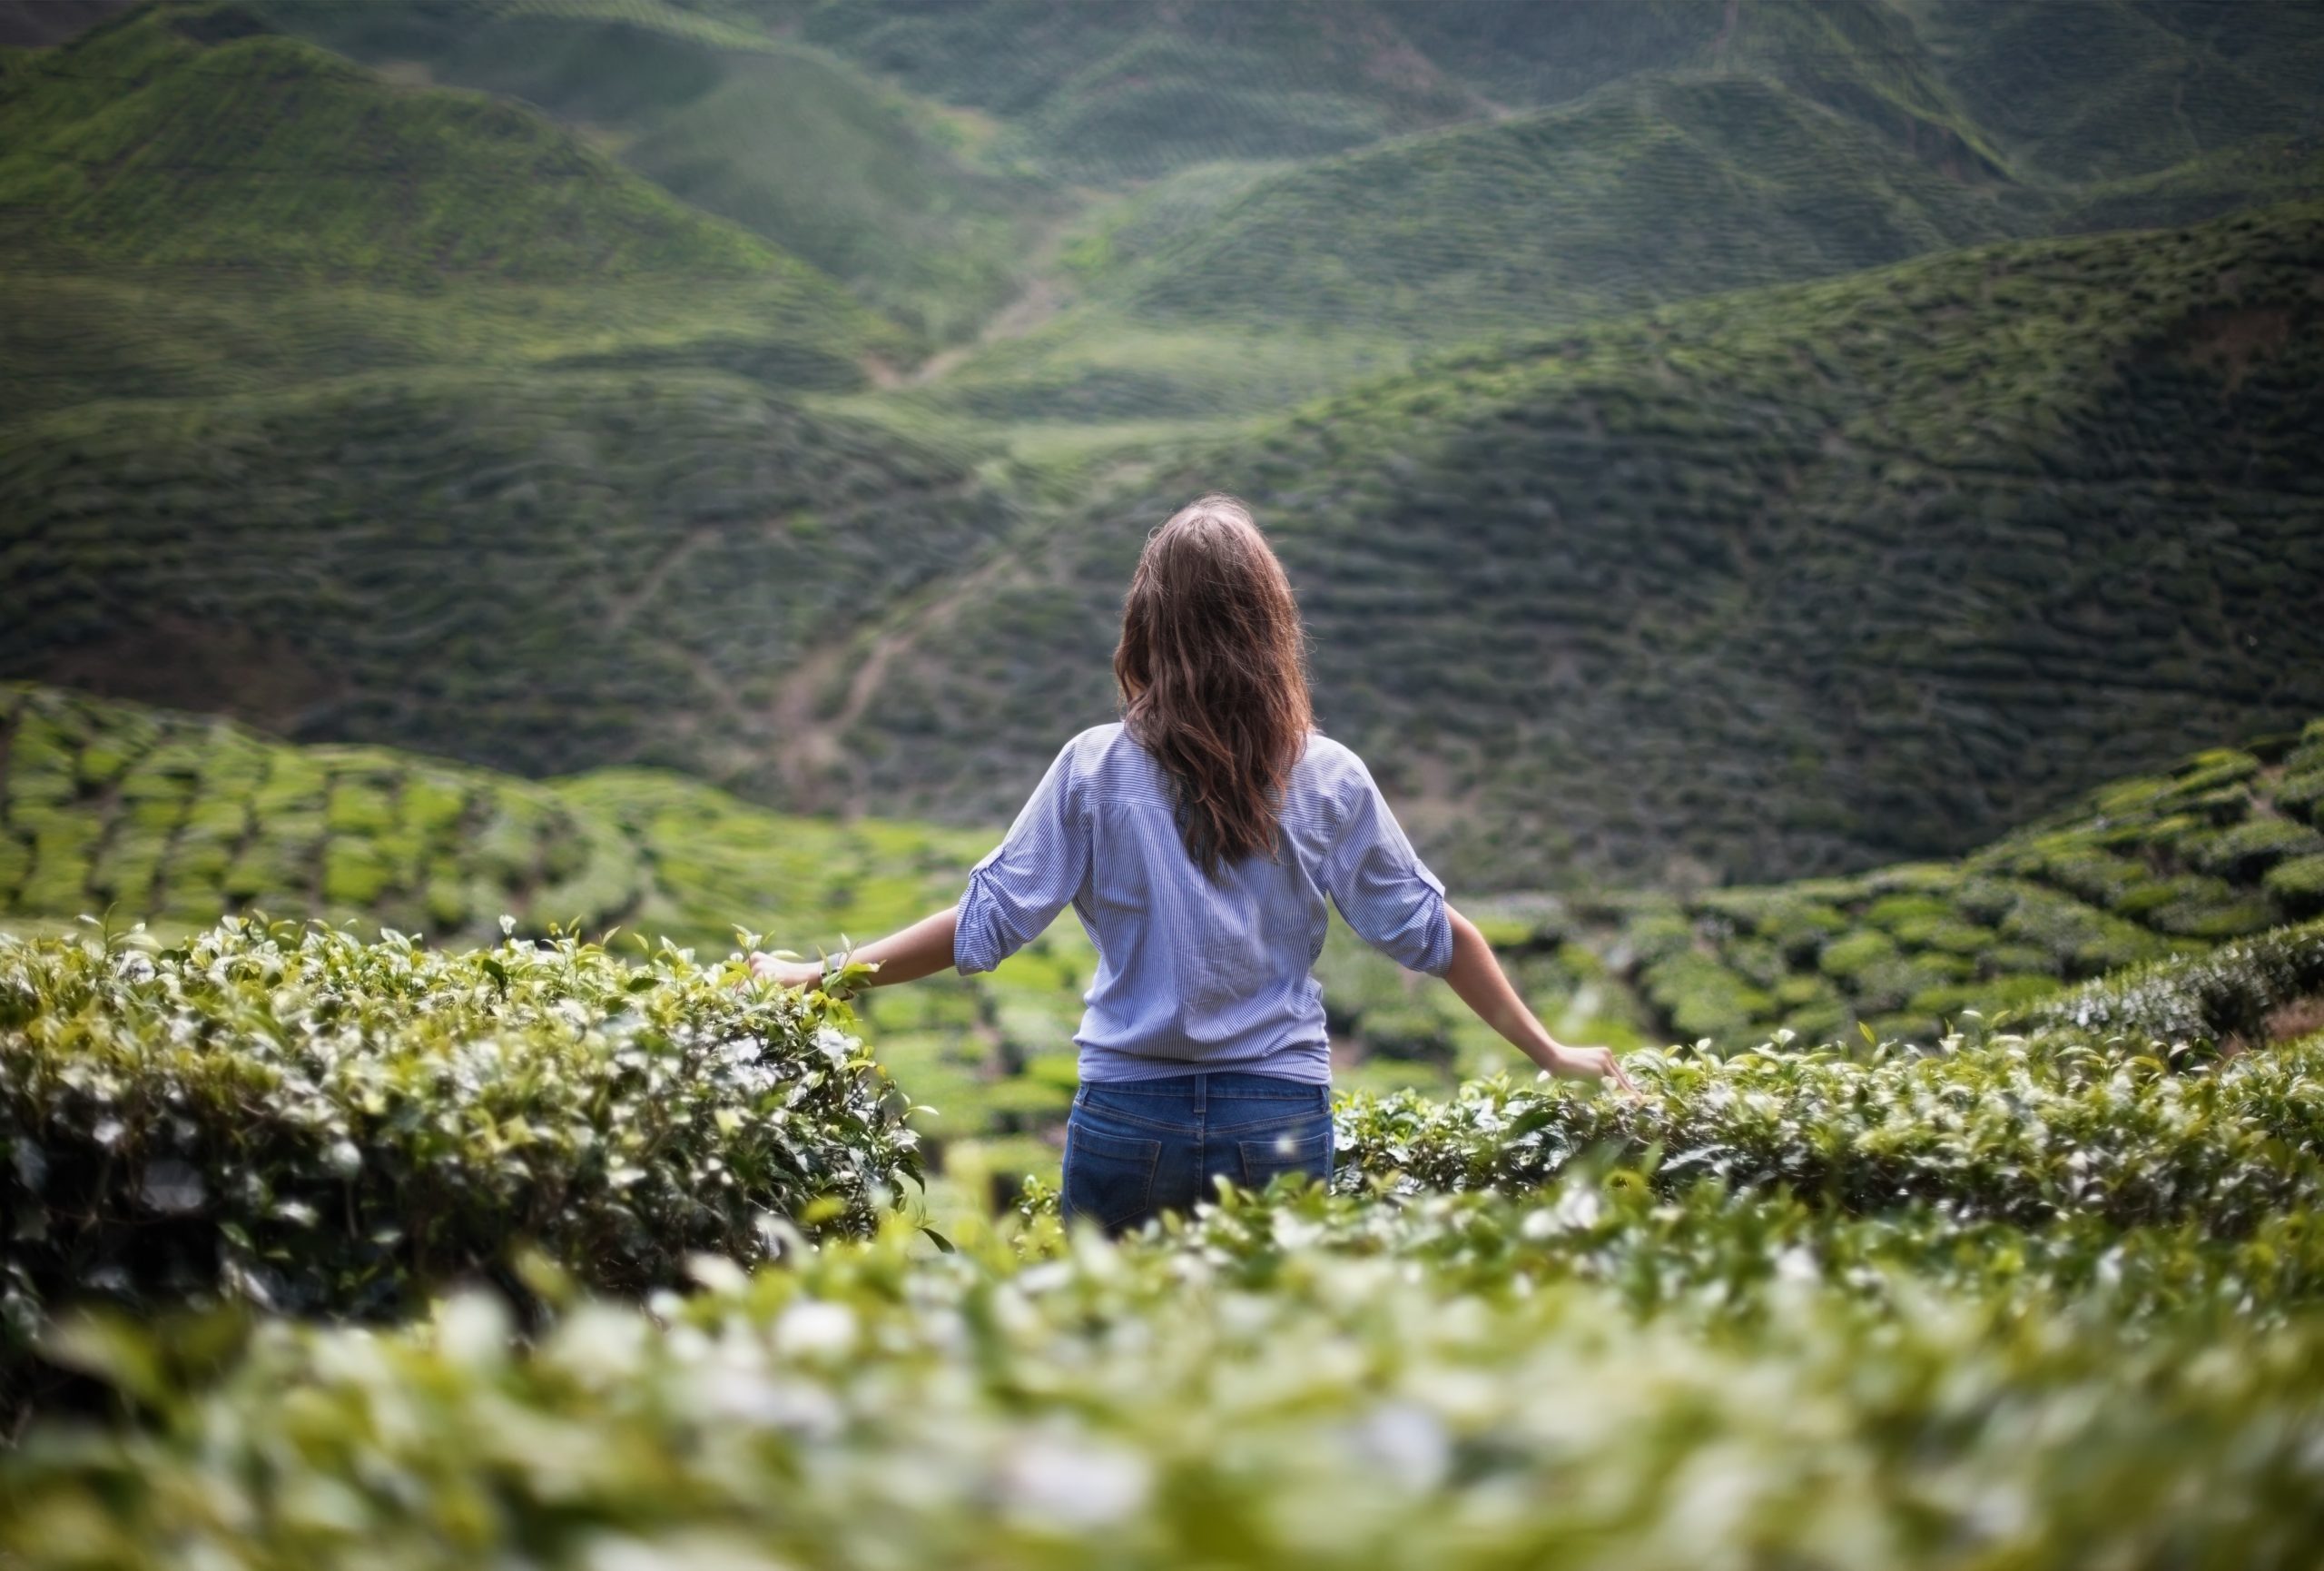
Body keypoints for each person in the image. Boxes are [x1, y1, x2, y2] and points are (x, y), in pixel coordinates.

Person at [749, 493, 1633, 1234]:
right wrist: (1550, 1051)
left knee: (1107, 1354)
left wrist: (813, 978)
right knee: (1265, 1360)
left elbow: (982, 927)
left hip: (1128, 1118)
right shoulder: (1327, 774)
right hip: (1277, 1114)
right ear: (1270, 625)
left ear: (1147, 625)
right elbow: (1435, 935)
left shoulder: (1094, 767)